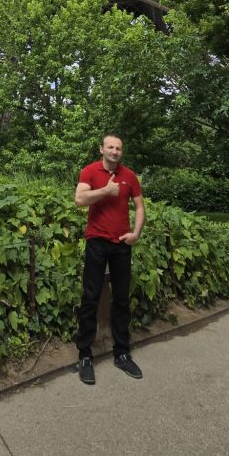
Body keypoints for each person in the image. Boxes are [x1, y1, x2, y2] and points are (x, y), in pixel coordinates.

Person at [74, 133, 145, 385]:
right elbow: (79, 200)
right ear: (101, 149)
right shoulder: (90, 171)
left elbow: (139, 206)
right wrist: (106, 190)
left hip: (122, 243)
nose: (115, 151)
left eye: (119, 148)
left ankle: (122, 353)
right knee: (90, 298)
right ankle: (84, 355)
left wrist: (136, 233)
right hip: (96, 242)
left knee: (122, 299)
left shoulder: (130, 176)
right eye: (111, 147)